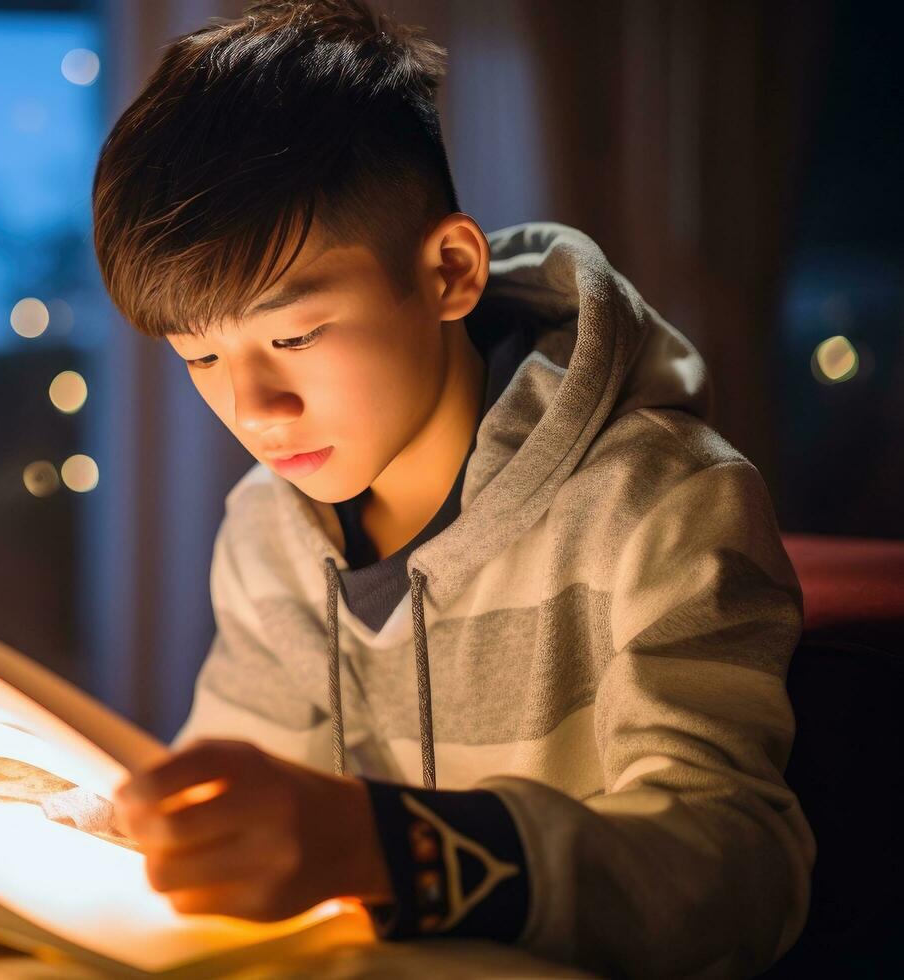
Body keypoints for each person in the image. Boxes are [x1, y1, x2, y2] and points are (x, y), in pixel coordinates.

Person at [90, 1, 813, 975]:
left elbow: (739, 876)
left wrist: (391, 845)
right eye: (199, 356)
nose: (255, 408)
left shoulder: (664, 506)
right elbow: (240, 810)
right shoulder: (267, 531)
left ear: (449, 270)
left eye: (295, 336)